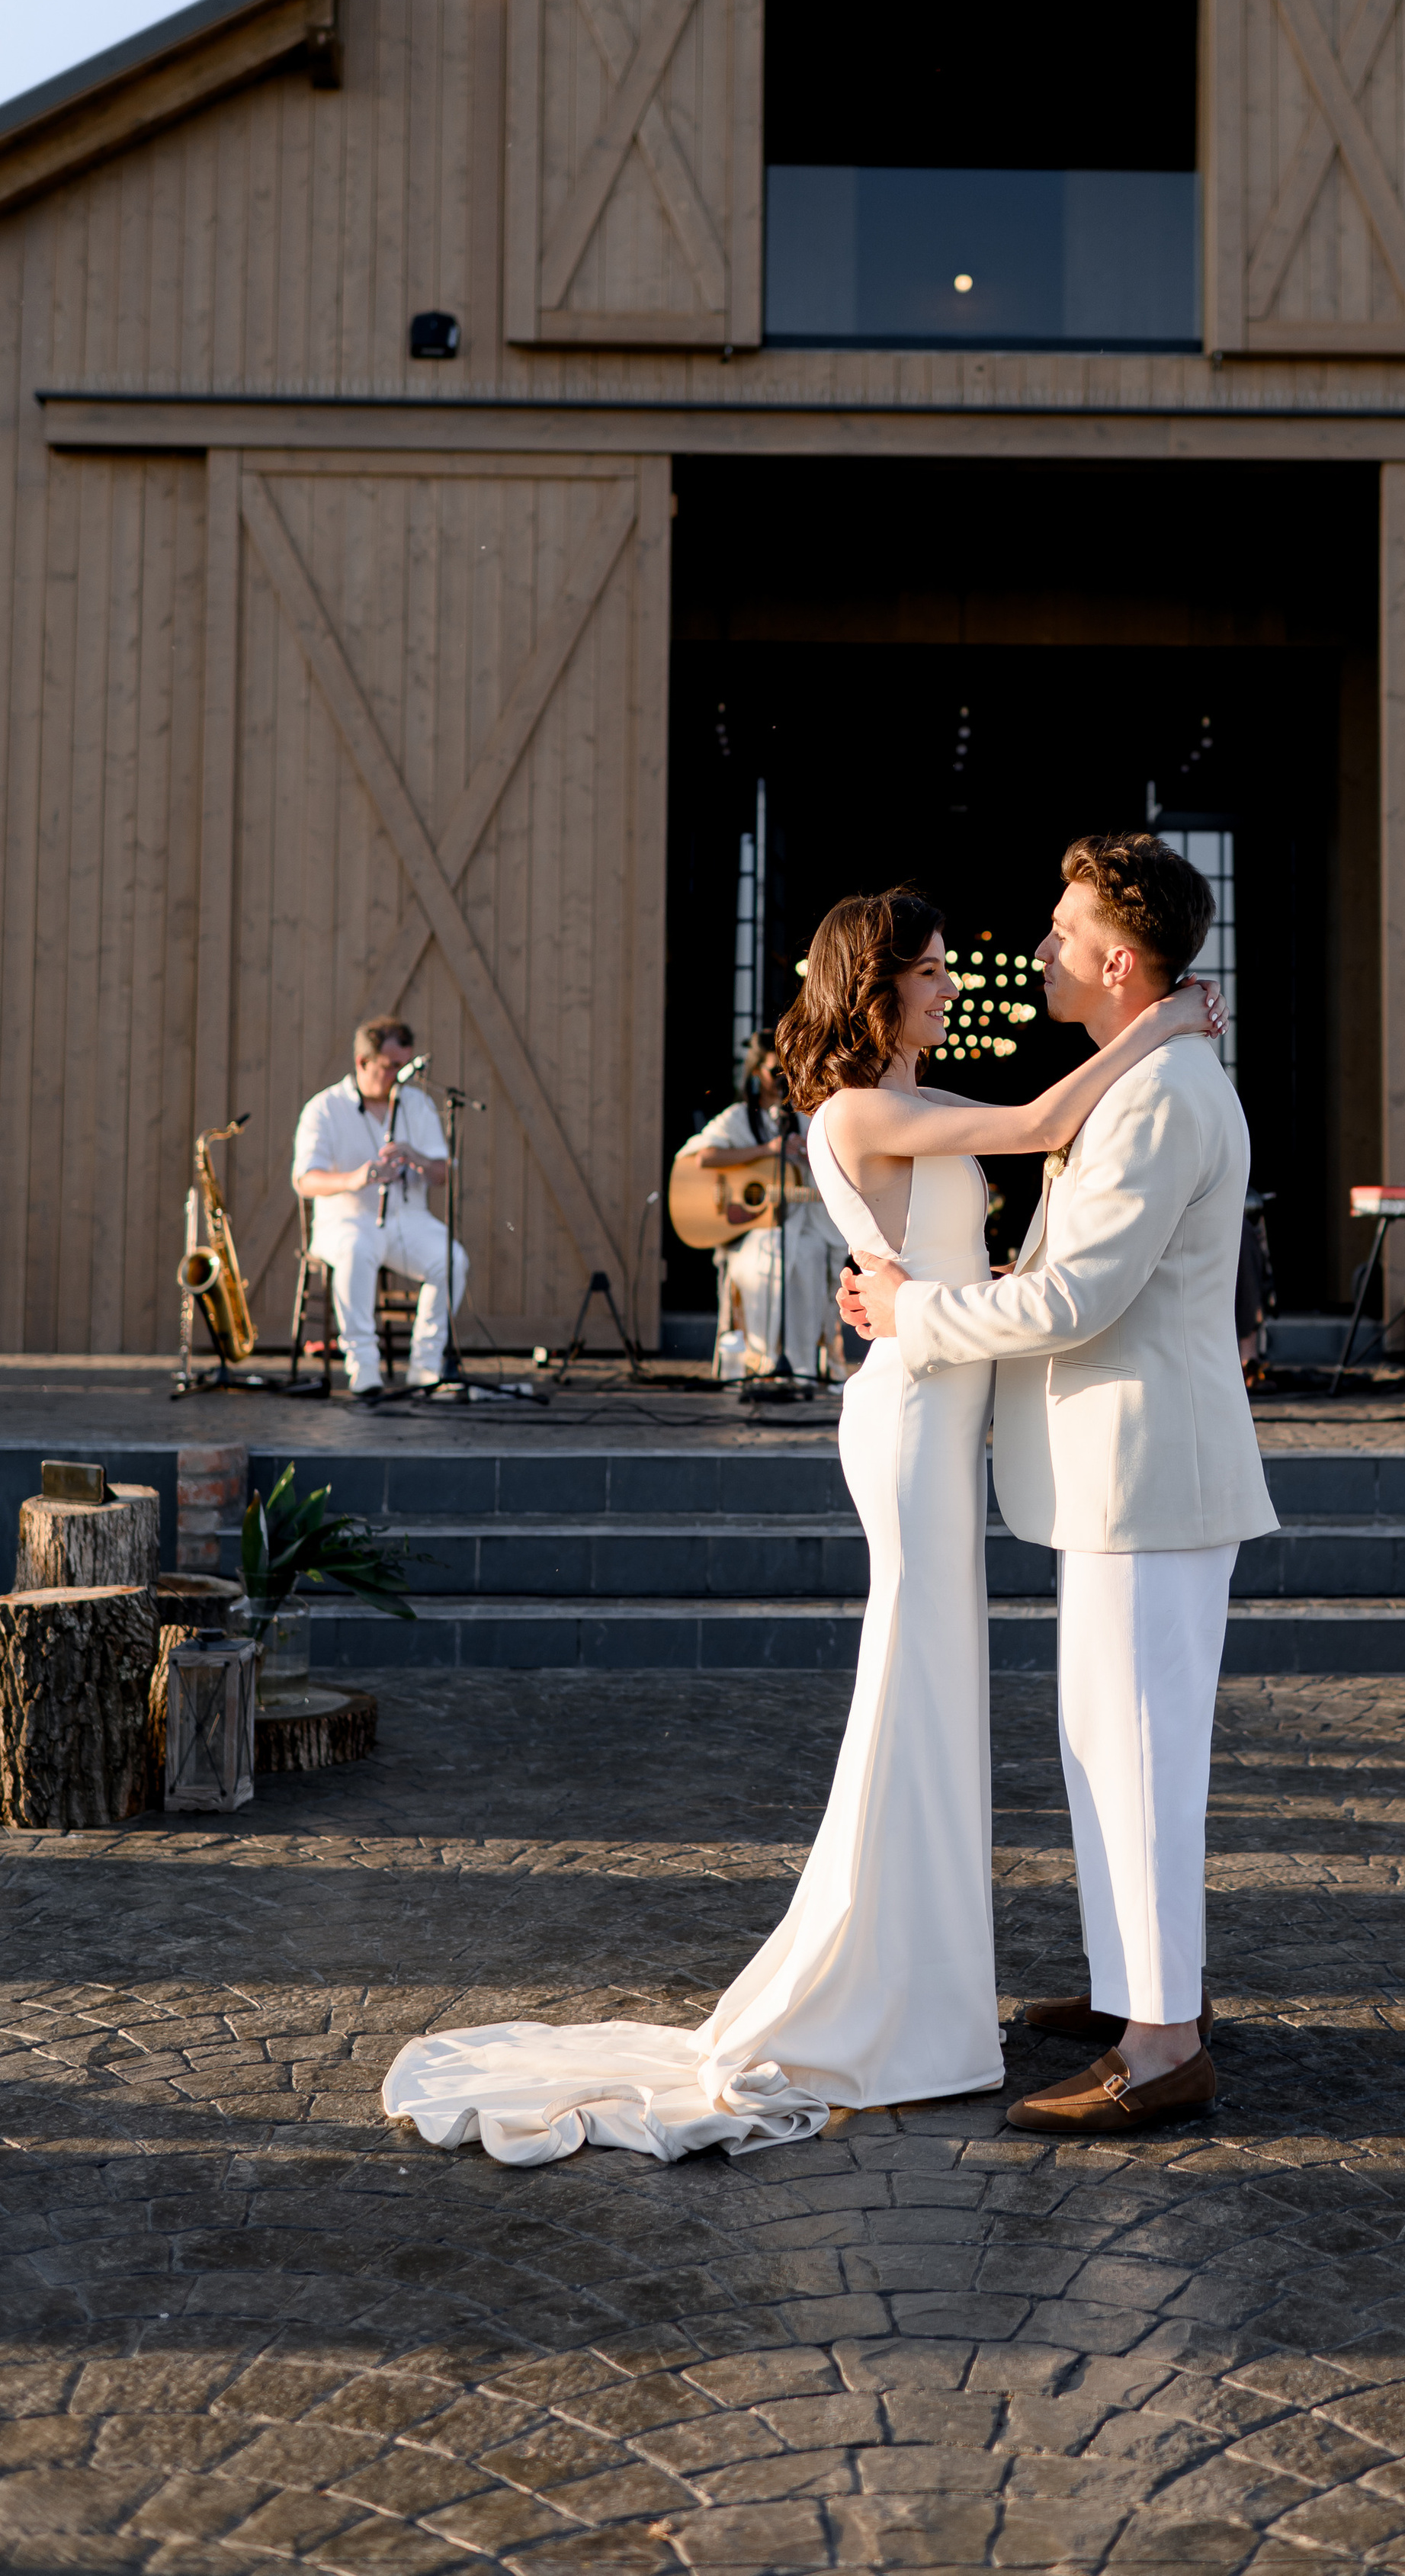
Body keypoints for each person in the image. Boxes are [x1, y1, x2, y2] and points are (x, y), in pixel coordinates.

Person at [380, 888, 1223, 2164]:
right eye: (935, 972)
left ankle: (929, 1989)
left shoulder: (905, 1104)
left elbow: (982, 1216)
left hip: (935, 1405)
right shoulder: (864, 1109)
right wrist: (1165, 1027)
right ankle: (890, 1989)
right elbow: (1052, 1116)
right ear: (878, 990)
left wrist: (943, 1288)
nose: (956, 987)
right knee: (915, 1679)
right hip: (910, 1421)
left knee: (933, 1684)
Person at [844, 836, 1278, 2139]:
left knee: (1139, 1757)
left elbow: (1077, 1297)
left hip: (1149, 1474)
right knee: (1105, 1749)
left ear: (1114, 959)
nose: (1034, 950)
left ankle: (1162, 2044)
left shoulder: (1158, 1101)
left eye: (1056, 928)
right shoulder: (1153, 1077)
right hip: (1118, 1477)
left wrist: (918, 1310)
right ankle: (1133, 1990)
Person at [291, 1016, 464, 1401]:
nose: (397, 1077)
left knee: (451, 1259)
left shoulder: (417, 1104)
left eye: (404, 1068)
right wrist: (357, 1178)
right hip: (346, 1219)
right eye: (389, 1068)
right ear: (362, 1062)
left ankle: (425, 1368)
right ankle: (364, 1369)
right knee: (357, 1249)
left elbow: (442, 1173)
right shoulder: (324, 1107)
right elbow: (305, 1180)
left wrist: (414, 1156)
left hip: (407, 1219)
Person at [674, 1038, 846, 1378]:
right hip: (750, 1230)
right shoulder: (738, 1118)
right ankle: (759, 1361)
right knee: (763, 1260)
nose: (781, 1076)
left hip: (800, 1221)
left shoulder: (800, 1117)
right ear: (756, 1072)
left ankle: (800, 1366)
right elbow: (702, 1157)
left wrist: (807, 1156)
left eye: (786, 1070)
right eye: (773, 1070)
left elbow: (831, 1167)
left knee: (808, 1256)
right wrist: (768, 1150)